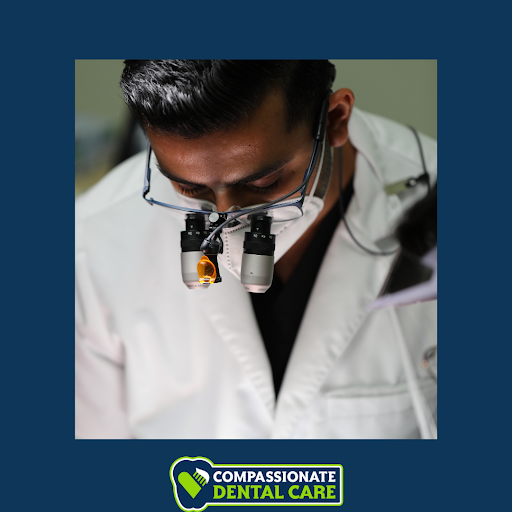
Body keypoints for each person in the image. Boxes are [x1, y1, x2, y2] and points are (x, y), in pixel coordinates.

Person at [75, 60, 437, 439]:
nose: (225, 217)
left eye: (263, 182)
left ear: (334, 120)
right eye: (190, 188)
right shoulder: (93, 238)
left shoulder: (436, 205)